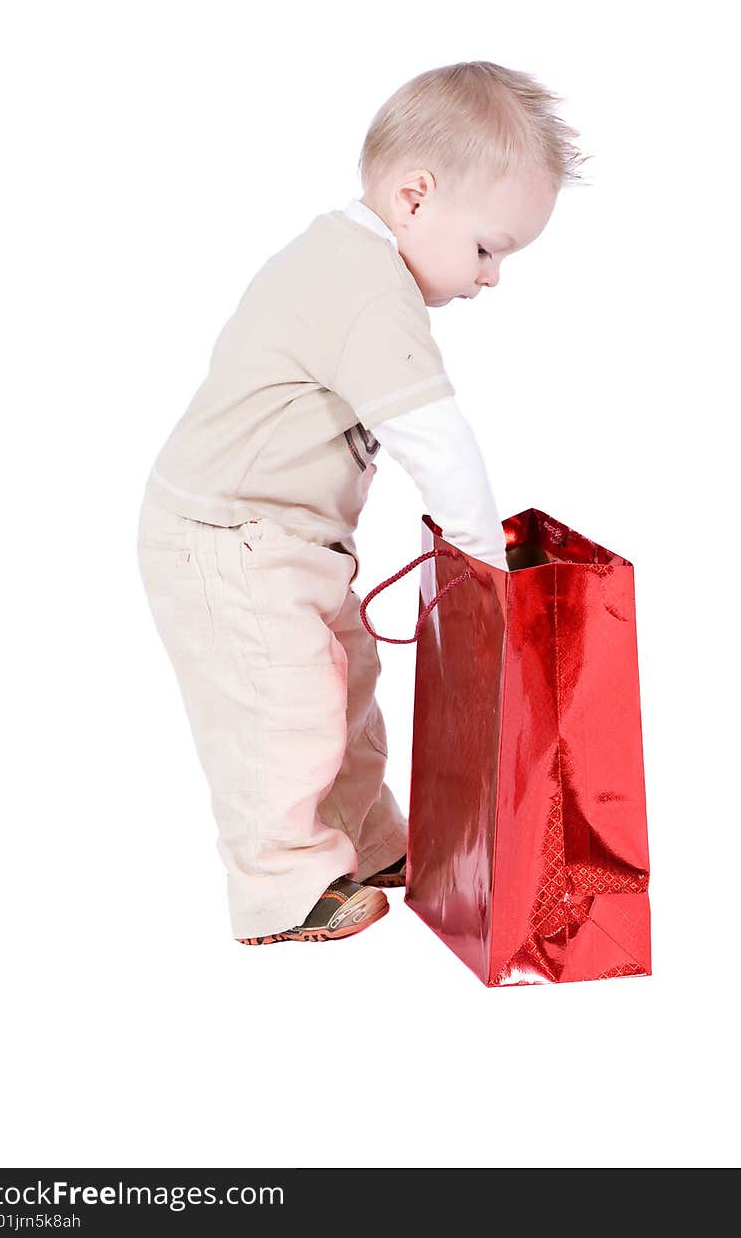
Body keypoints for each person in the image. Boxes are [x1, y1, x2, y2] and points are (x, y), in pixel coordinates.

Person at [135, 59, 585, 946]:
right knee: (285, 710)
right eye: (488, 248)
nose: (492, 278)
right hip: (226, 538)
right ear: (414, 197)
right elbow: (435, 439)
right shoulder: (362, 286)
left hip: (289, 542)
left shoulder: (357, 268)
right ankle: (281, 888)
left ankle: (370, 844)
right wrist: (485, 560)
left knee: (347, 693)